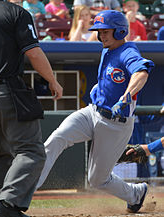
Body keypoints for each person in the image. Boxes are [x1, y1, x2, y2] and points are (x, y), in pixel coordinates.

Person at [36, 10, 155, 213]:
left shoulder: (127, 51)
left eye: (106, 31)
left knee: (97, 179)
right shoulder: (106, 50)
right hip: (92, 112)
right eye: (99, 31)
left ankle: (135, 193)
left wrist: (126, 96)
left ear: (120, 31)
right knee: (57, 138)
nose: (101, 36)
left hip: (115, 124)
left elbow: (141, 72)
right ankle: (26, 189)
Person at [0, 0, 63, 216]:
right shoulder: (16, 13)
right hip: (6, 90)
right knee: (31, 151)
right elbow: (33, 53)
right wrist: (52, 80)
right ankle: (6, 204)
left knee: (0, 154)